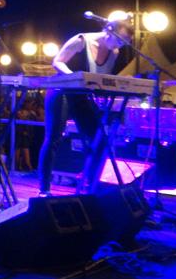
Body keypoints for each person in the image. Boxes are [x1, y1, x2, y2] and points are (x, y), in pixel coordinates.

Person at [36, 17, 133, 195]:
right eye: (119, 40)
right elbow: (57, 61)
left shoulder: (114, 52)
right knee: (53, 138)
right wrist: (76, 78)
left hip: (81, 95)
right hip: (61, 90)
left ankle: (92, 186)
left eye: (124, 43)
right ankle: (44, 188)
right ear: (109, 30)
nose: (119, 45)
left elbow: (99, 77)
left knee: (99, 139)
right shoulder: (82, 40)